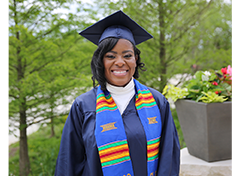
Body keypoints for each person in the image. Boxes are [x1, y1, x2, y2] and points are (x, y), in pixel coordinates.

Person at [54, 11, 180, 176]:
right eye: (110, 56)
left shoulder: (157, 102)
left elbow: (168, 158)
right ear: (101, 61)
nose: (120, 62)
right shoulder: (83, 106)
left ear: (135, 59)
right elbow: (68, 163)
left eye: (127, 55)